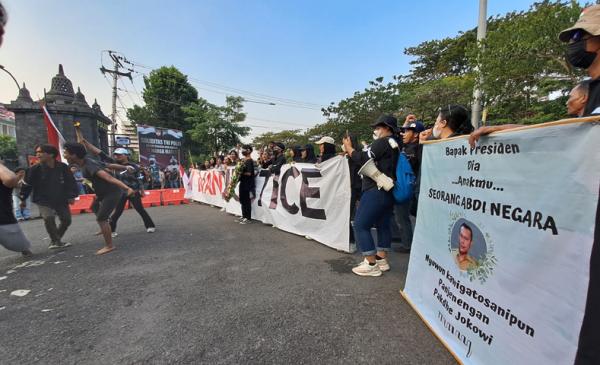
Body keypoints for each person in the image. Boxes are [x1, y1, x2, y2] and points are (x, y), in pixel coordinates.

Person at [342, 114, 400, 277]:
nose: (375, 130)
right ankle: (382, 260)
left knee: (360, 224)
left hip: (375, 188)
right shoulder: (395, 143)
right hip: (388, 189)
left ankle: (370, 263)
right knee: (383, 225)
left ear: (387, 128)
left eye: (378, 127)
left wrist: (349, 149)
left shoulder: (382, 142)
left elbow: (362, 158)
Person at [62, 142, 134, 255]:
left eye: (65, 153)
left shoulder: (90, 165)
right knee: (94, 206)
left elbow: (109, 177)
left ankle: (109, 245)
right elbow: (109, 165)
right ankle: (105, 225)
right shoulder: (87, 161)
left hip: (112, 192)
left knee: (101, 218)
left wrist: (127, 188)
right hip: (102, 192)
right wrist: (125, 167)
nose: (64, 155)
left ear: (74, 155)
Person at [81, 141, 156, 237]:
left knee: (140, 209)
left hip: (133, 191)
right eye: (115, 155)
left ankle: (150, 226)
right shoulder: (113, 163)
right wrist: (85, 142)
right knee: (118, 211)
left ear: (126, 155)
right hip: (120, 191)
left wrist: (142, 191)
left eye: (119, 155)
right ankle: (111, 230)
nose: (117, 157)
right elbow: (100, 153)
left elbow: (139, 179)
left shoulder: (134, 166)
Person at [20, 144, 78, 249]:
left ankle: (55, 239)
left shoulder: (63, 167)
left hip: (60, 198)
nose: (37, 154)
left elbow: (70, 182)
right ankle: (57, 241)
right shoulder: (33, 169)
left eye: (40, 152)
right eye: (36, 152)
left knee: (66, 220)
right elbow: (26, 185)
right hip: (42, 199)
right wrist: (23, 199)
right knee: (48, 217)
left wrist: (71, 196)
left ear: (51, 154)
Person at [394, 121, 425, 253]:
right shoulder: (403, 147)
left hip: (411, 188)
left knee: (403, 217)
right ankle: (407, 241)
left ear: (416, 134)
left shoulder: (421, 148)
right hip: (402, 187)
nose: (403, 134)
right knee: (402, 216)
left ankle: (408, 245)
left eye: (407, 131)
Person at [238, 145, 256, 224]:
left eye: (244, 149)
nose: (243, 151)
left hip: (247, 183)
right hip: (242, 182)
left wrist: (240, 173)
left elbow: (249, 173)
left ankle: (248, 218)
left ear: (249, 151)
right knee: (242, 199)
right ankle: (243, 215)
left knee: (246, 200)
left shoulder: (249, 161)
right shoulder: (243, 160)